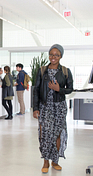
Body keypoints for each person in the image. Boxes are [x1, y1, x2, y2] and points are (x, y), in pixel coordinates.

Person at [33, 44, 73, 173]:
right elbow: (36, 90)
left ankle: (55, 161)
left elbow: (70, 89)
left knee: (57, 135)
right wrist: (35, 108)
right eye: (51, 54)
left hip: (59, 107)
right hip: (45, 107)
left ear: (61, 56)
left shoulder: (66, 71)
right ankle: (45, 162)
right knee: (44, 134)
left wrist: (59, 89)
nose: (53, 57)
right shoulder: (42, 70)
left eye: (56, 55)